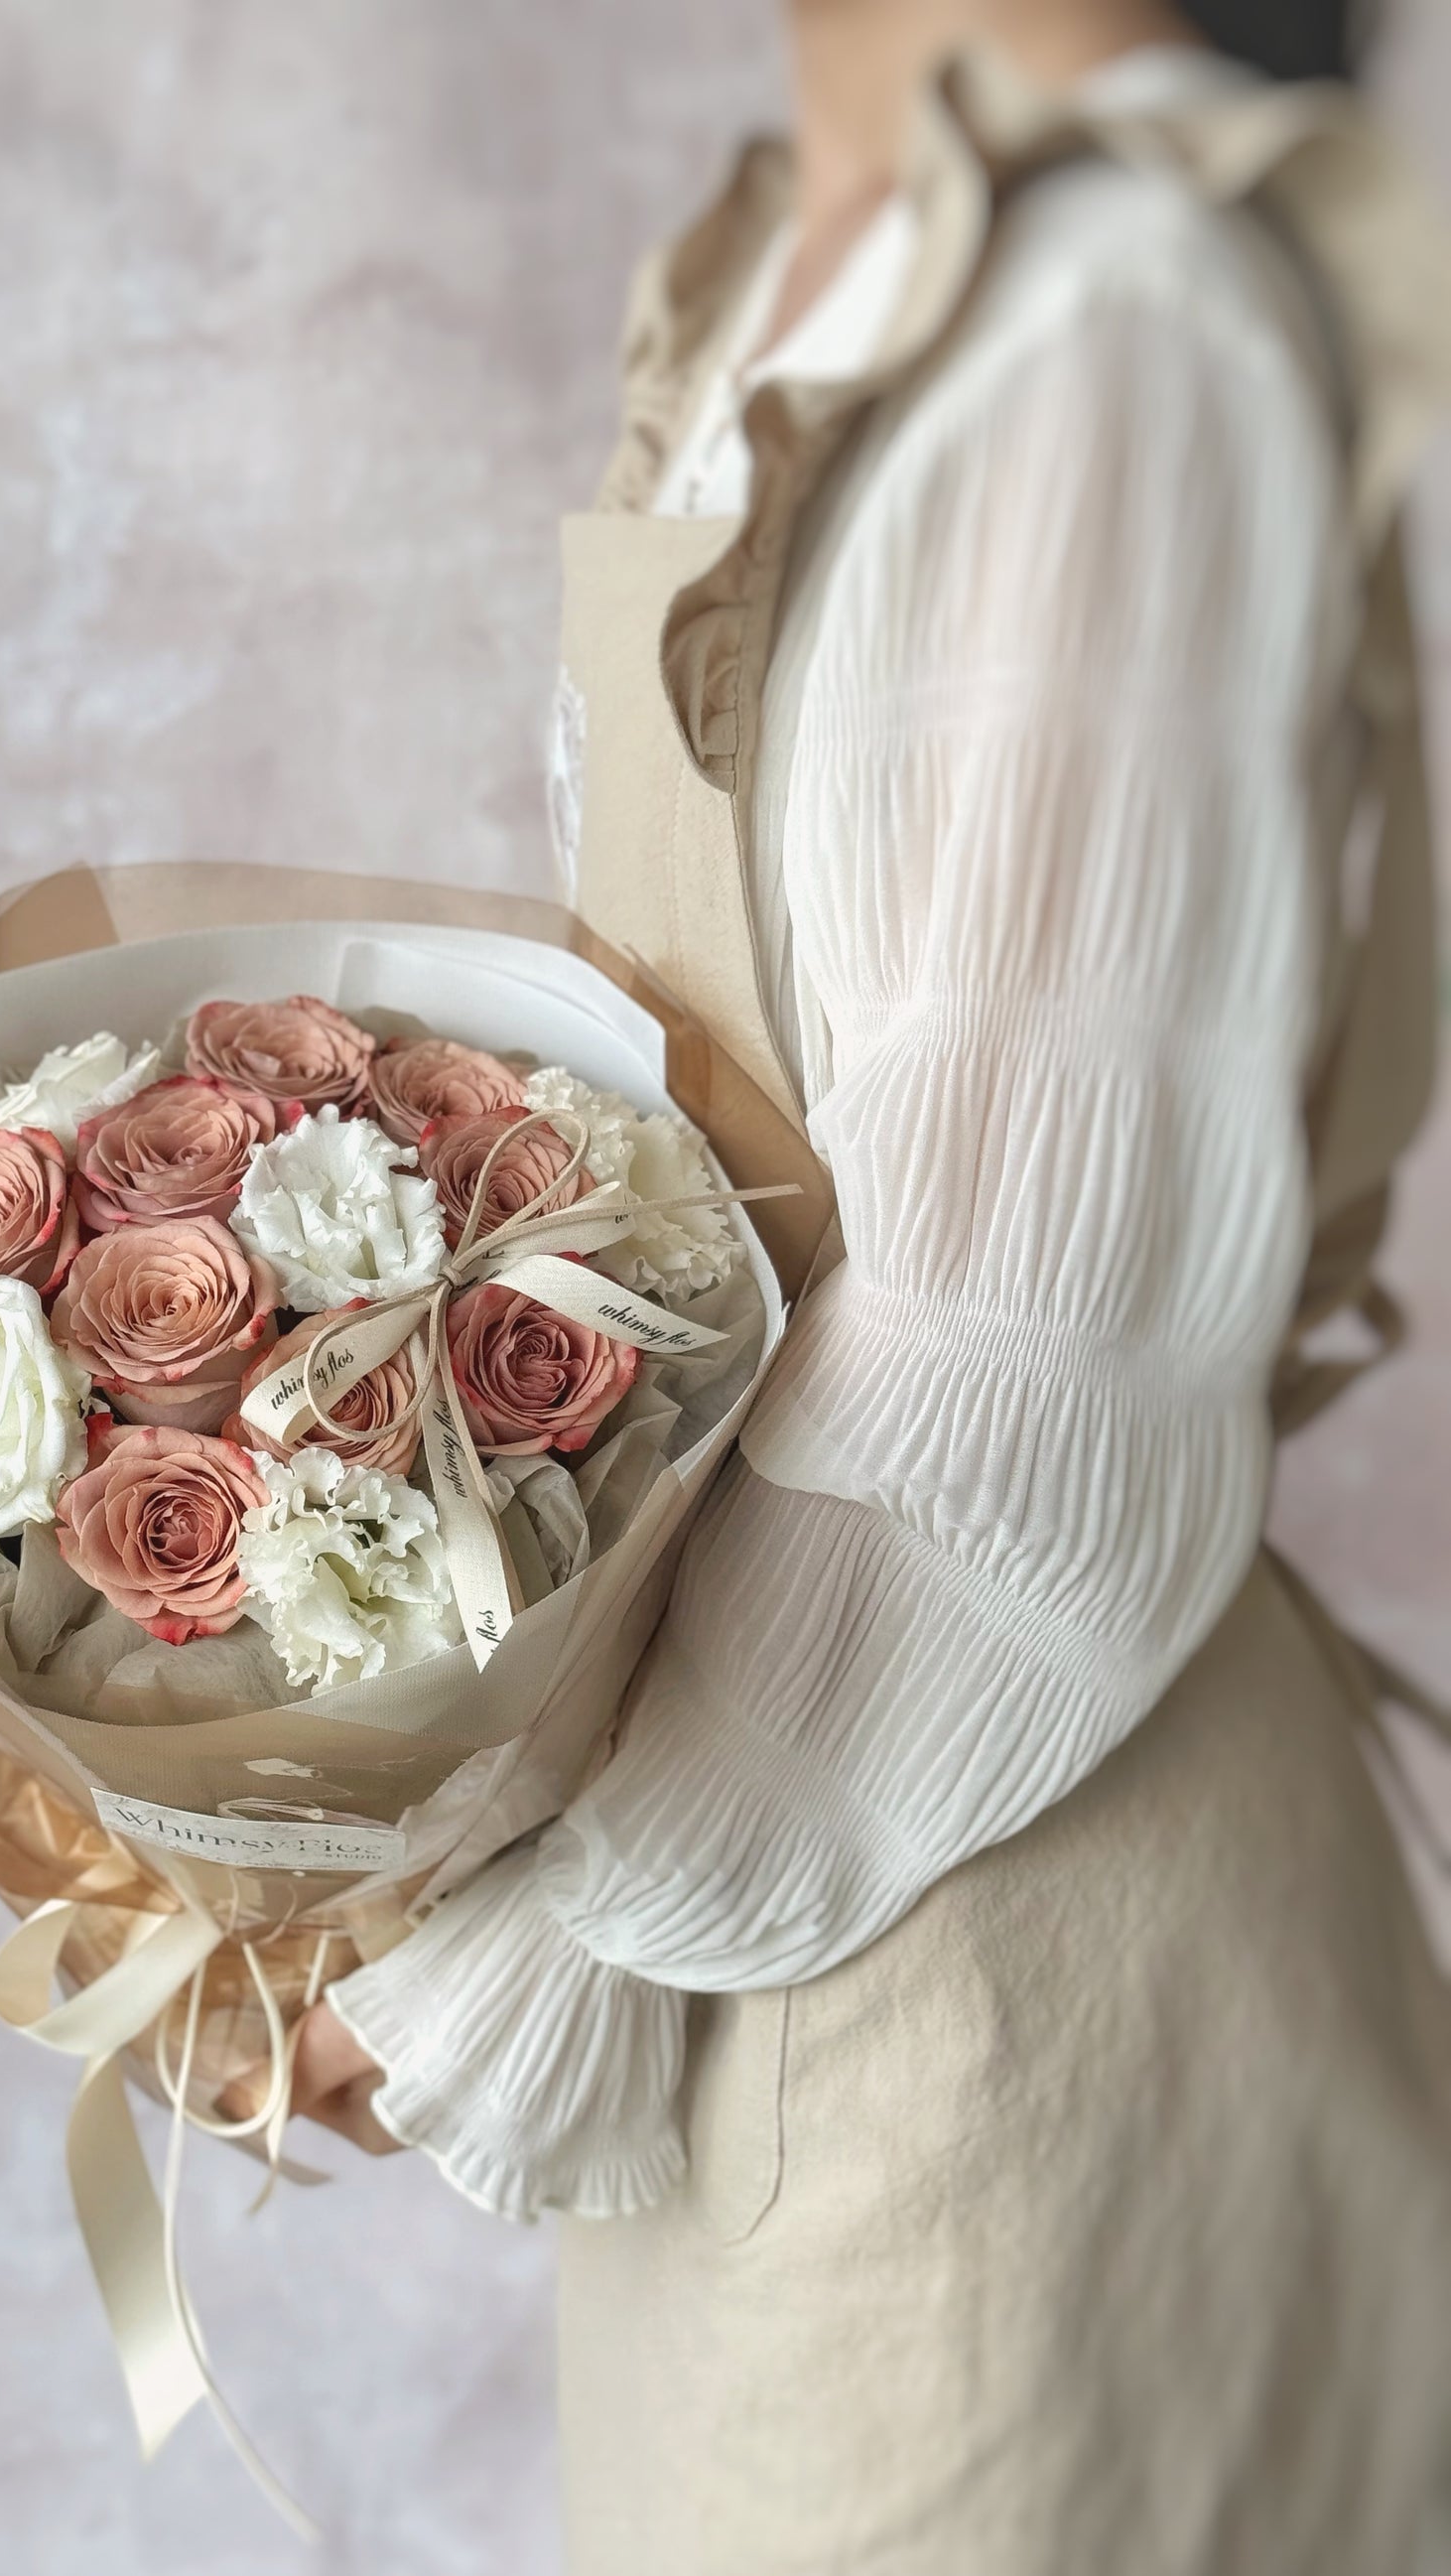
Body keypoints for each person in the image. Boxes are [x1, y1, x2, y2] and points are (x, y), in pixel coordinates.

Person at [292, 3, 1451, 2566]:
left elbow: (1020, 1387)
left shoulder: (1101, 330)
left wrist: (486, 1972)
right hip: (760, 1907)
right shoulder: (781, 277)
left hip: (985, 1976)